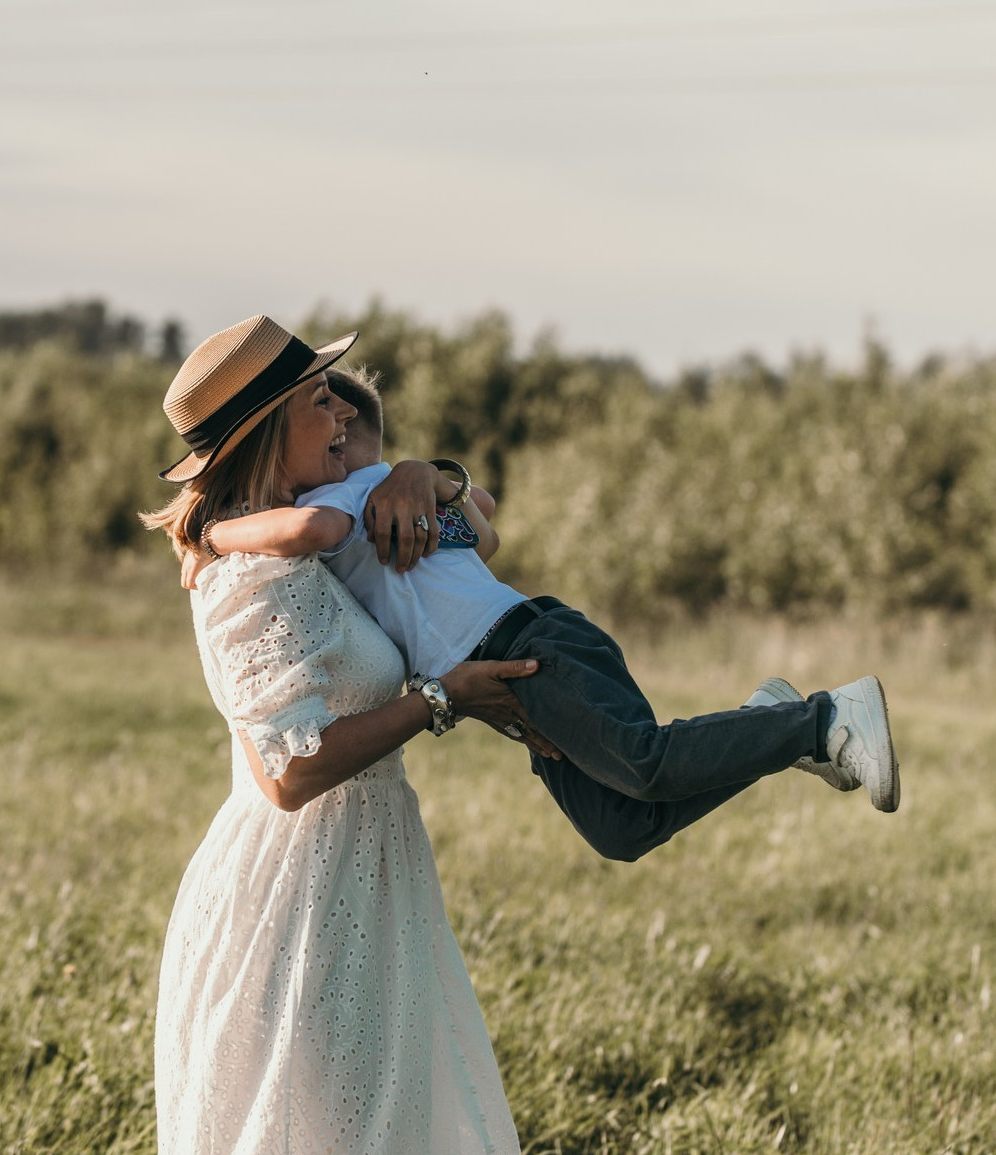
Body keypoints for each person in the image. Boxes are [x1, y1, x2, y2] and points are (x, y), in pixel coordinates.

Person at [140, 314, 619, 1155]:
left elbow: (473, 521)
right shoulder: (243, 577)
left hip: (370, 877)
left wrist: (425, 475)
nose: (342, 417)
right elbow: (289, 773)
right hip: (295, 900)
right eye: (319, 399)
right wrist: (439, 700)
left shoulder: (326, 543)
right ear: (273, 426)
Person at [195, 362, 900, 864]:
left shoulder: (352, 495)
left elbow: (310, 534)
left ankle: (825, 717)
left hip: (530, 642)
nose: (339, 429)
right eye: (324, 415)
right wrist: (435, 482)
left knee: (645, 763)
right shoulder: (372, 501)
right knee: (622, 829)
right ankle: (767, 722)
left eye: (342, 420)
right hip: (516, 657)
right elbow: (485, 530)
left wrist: (209, 534)